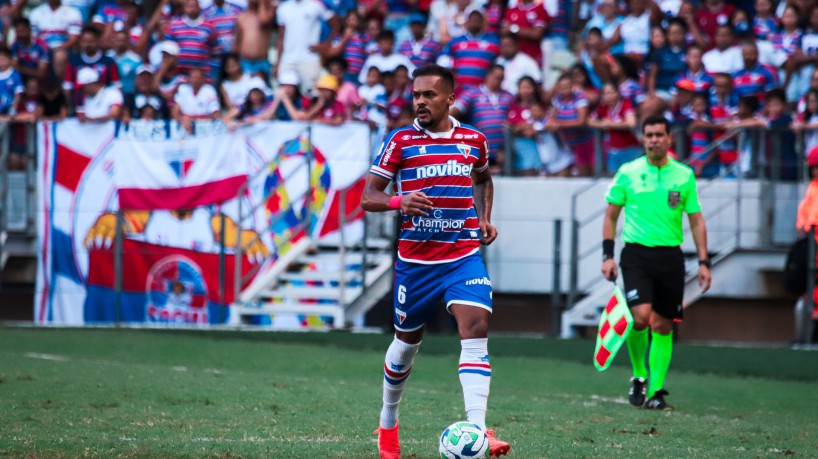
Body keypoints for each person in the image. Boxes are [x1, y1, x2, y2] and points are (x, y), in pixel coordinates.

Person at [361, 64, 510, 459]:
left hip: (462, 256)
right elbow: (368, 196)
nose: (421, 101)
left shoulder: (473, 140)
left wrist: (484, 218)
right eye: (416, 95)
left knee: (476, 327)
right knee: (407, 344)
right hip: (416, 263)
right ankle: (388, 422)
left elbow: (483, 179)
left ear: (450, 98)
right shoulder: (401, 141)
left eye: (429, 94)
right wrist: (399, 200)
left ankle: (478, 430)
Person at [601, 115, 711, 411]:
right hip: (636, 255)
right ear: (642, 138)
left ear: (668, 138)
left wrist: (704, 261)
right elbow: (611, 216)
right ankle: (639, 375)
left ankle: (657, 392)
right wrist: (607, 255)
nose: (653, 140)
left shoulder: (684, 175)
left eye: (659, 135)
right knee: (639, 318)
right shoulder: (628, 172)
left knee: (663, 326)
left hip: (671, 257)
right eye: (648, 135)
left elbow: (696, 220)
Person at [233, 0, 275, 79]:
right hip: (244, 62)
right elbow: (237, 42)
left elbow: (264, 20)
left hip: (261, 63)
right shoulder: (242, 16)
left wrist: (262, 2)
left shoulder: (268, 14)